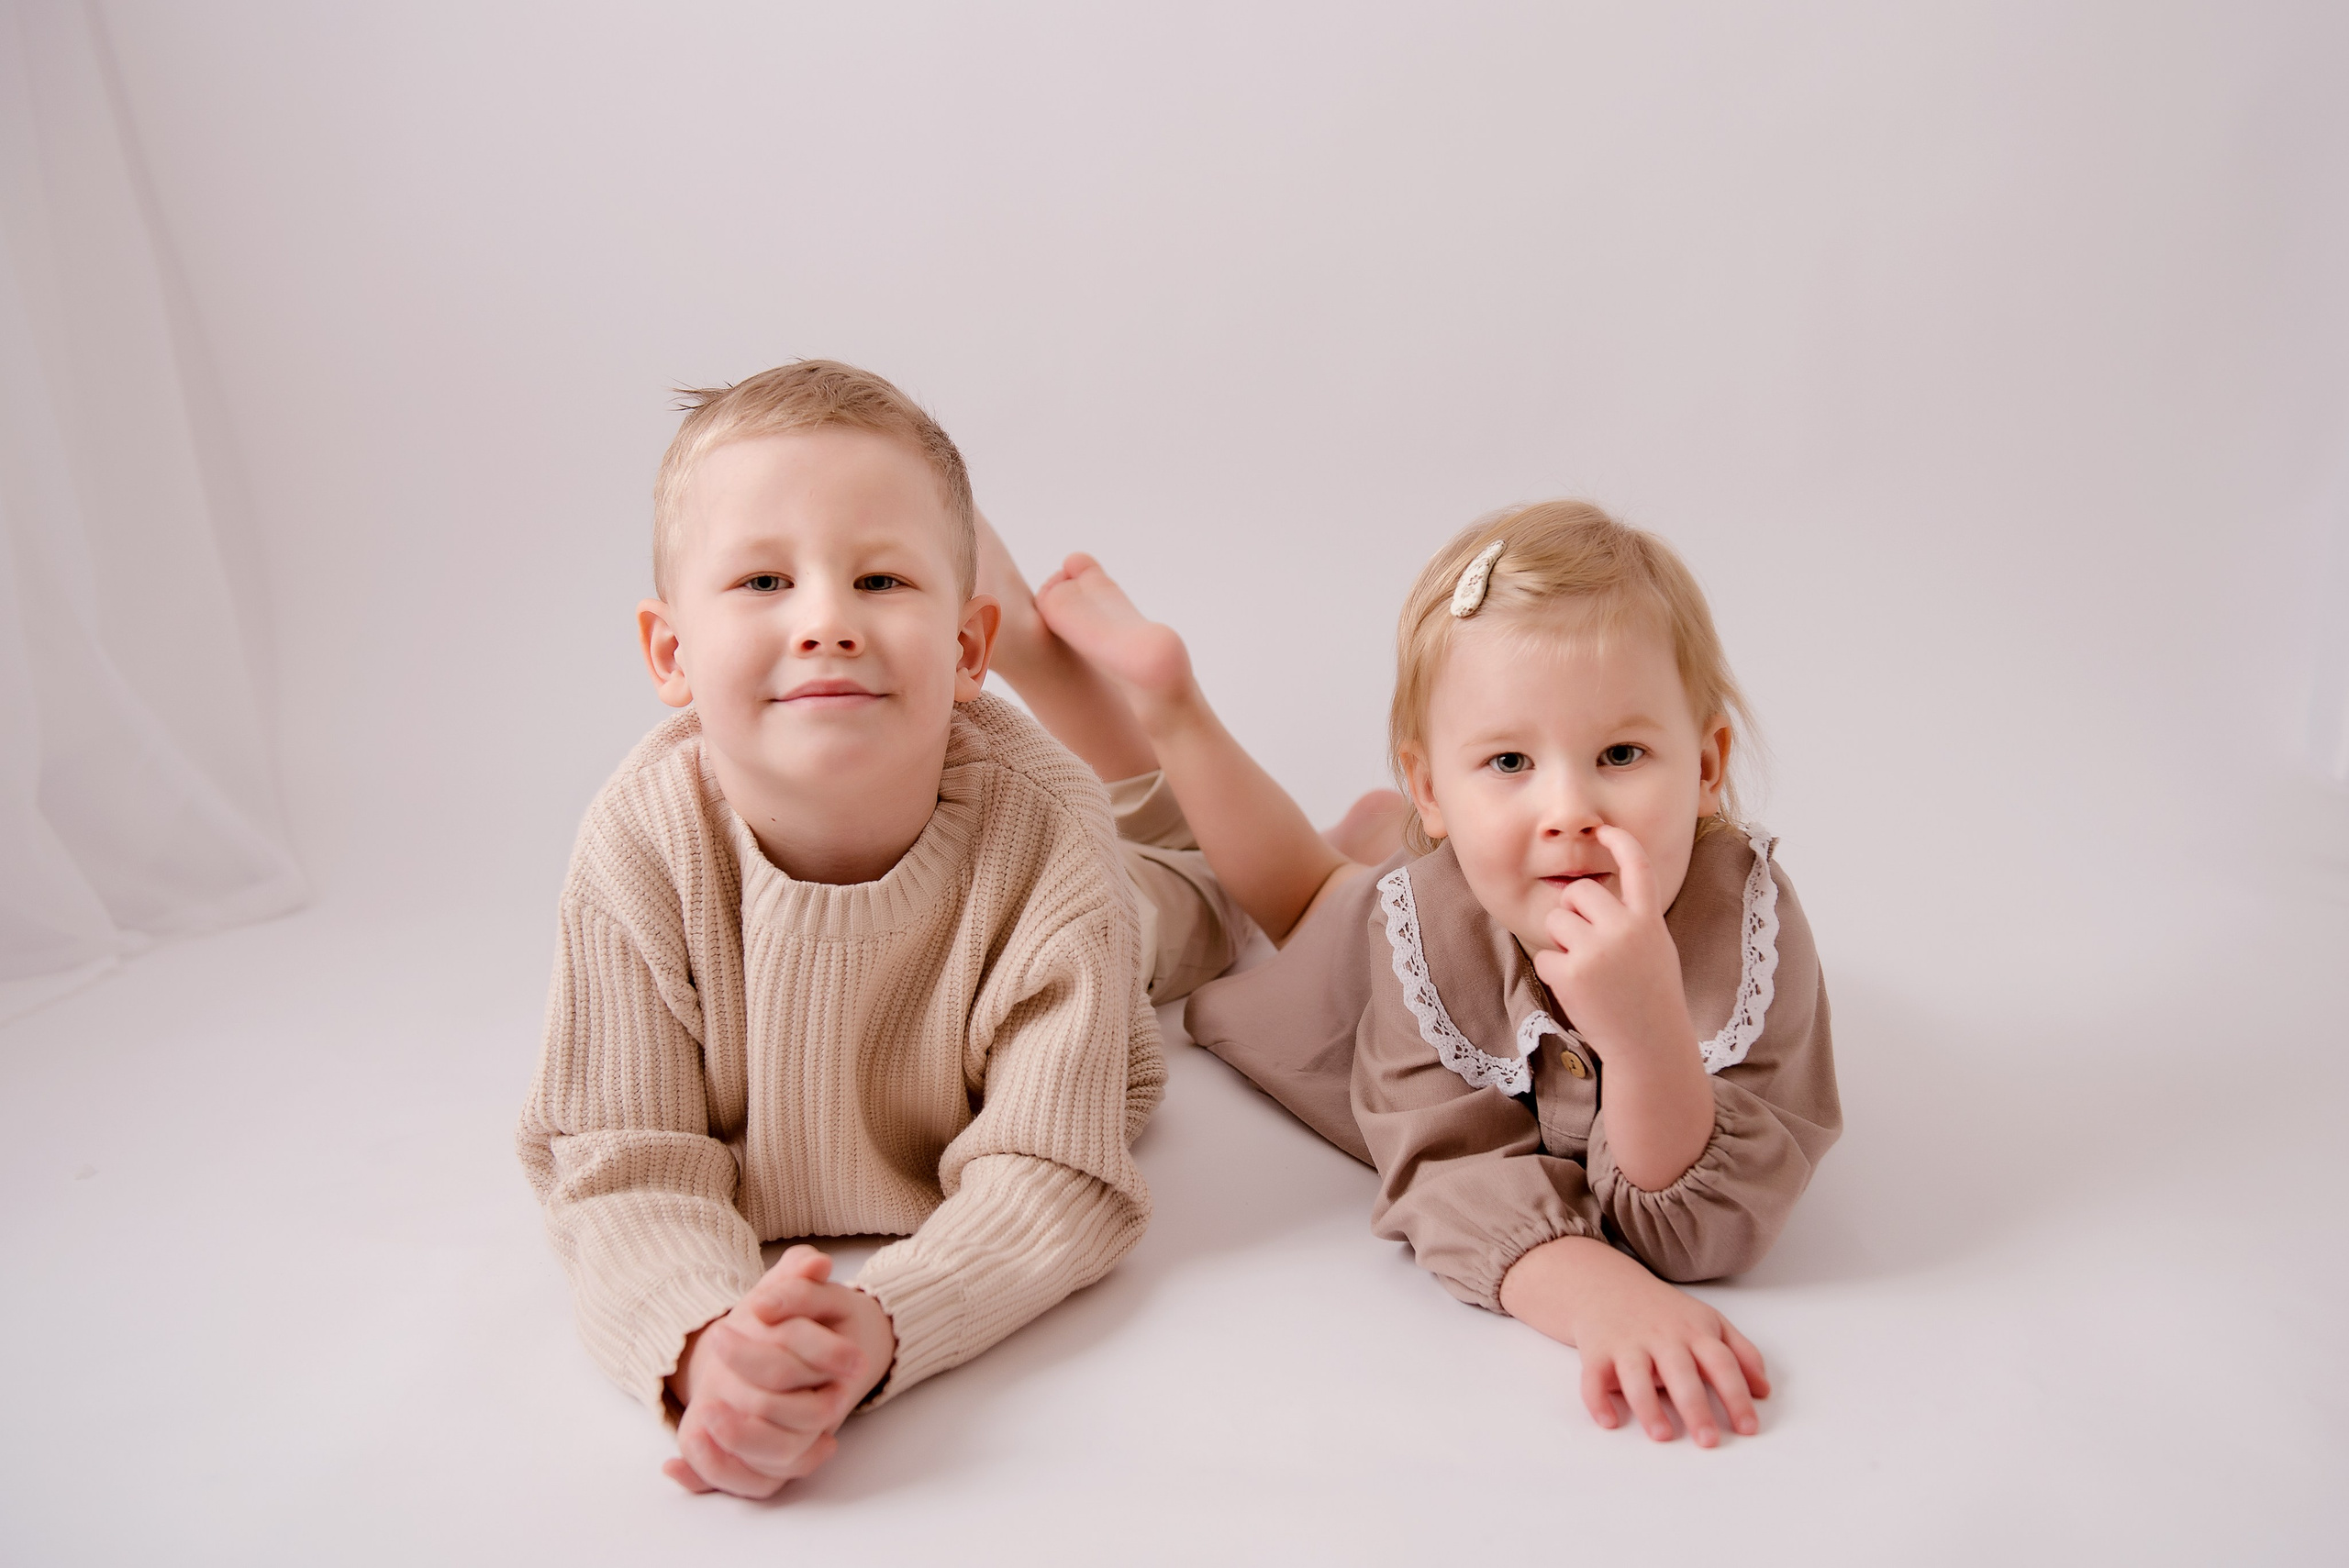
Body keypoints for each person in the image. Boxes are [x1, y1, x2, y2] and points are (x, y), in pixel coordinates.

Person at [515, 361, 1240, 1498]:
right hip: (1012, 852)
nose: (826, 623)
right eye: (763, 578)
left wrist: (887, 1321)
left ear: (961, 652)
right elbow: (620, 1164)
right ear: (669, 653)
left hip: (1106, 899)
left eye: (880, 579)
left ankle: (1162, 722)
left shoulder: (1049, 837)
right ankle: (1027, 644)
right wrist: (703, 1344)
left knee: (1212, 898)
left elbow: (1056, 1164)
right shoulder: (635, 844)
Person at [985, 500, 1841, 1448]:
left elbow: (1707, 1231)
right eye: (1509, 760)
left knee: (1317, 888)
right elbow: (1451, 1170)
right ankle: (1169, 705)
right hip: (1384, 939)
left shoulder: (1749, 932)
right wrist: (1596, 1291)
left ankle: (1351, 839)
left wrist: (1647, 1033)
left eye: (1621, 754)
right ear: (1430, 790)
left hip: (1448, 877)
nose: (1569, 808)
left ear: (1707, 765)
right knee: (1295, 904)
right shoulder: (1425, 931)